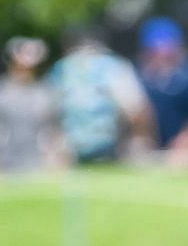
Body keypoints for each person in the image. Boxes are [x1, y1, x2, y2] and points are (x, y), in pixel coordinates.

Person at [47, 29, 152, 164]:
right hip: (107, 148)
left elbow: (50, 114)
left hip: (74, 151)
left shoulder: (62, 68)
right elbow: (136, 109)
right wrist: (141, 140)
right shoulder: (114, 66)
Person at [0, 36, 65, 175]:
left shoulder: (44, 93)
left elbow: (54, 131)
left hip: (37, 165)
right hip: (1, 164)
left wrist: (56, 159)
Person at [136, 18, 188, 167]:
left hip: (182, 145)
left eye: (167, 53)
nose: (161, 59)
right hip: (145, 144)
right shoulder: (134, 75)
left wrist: (184, 146)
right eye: (155, 52)